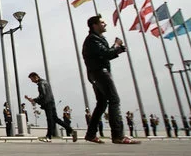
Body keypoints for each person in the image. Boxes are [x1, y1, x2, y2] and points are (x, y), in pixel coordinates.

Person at [82, 15, 140, 144]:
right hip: (100, 73)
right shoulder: (93, 39)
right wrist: (116, 45)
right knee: (114, 100)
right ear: (94, 25)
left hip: (96, 74)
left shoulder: (97, 39)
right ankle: (118, 135)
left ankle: (90, 134)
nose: (105, 24)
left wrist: (118, 50)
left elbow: (104, 55)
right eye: (102, 22)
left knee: (102, 104)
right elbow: (106, 53)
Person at [25, 72, 76, 142]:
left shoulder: (40, 84)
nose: (32, 81)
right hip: (52, 102)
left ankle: (48, 136)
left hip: (47, 103)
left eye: (32, 79)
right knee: (55, 119)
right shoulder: (45, 82)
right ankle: (71, 130)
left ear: (35, 77)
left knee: (49, 119)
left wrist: (34, 100)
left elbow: (43, 95)